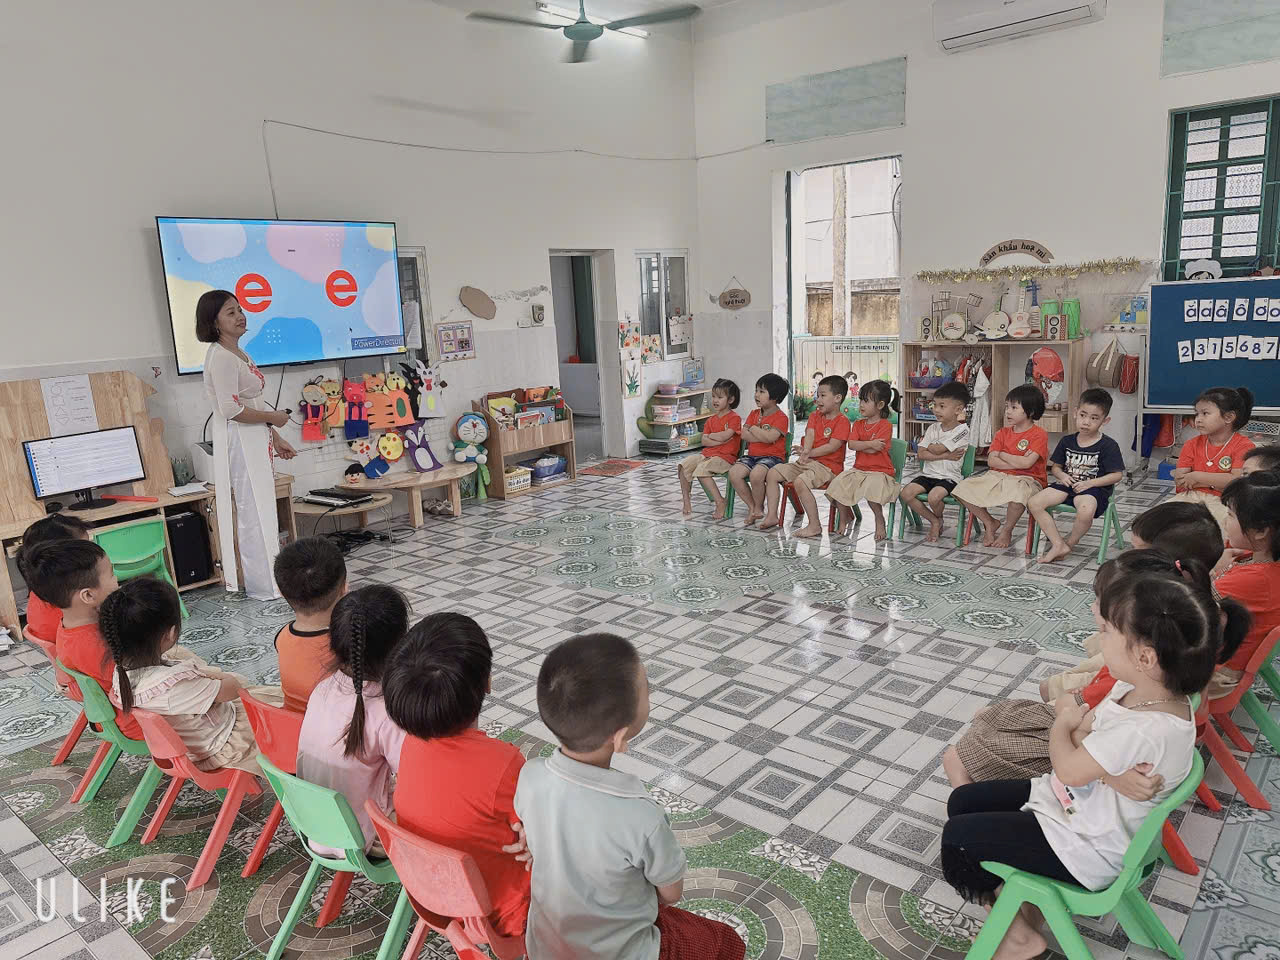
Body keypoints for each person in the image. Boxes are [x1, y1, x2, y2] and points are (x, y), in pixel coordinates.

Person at [940, 570, 1214, 960]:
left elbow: (1070, 759)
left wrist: (1063, 725)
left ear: (1145, 657)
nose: (1099, 640)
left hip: (1085, 846)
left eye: (1106, 633)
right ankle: (1027, 906)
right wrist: (1105, 769)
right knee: (964, 802)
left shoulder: (1145, 728)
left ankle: (1019, 935)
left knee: (958, 840)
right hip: (1075, 805)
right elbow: (1084, 739)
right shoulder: (1139, 691)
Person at [514, 634, 746, 960]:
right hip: (622, 952)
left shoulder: (530, 775)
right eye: (646, 687)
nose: (649, 690)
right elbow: (671, 893)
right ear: (620, 738)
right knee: (724, 942)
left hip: (545, 947)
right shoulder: (641, 816)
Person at [943, 549, 1247, 787]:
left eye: (1104, 613)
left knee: (956, 755)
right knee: (990, 718)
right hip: (1082, 739)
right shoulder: (1158, 670)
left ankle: (977, 796)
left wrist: (1104, 771)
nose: (1092, 609)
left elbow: (1078, 739)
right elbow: (1087, 719)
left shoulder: (1137, 684)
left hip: (1072, 756)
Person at [385, 612, 531, 938]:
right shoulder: (504, 764)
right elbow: (541, 833)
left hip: (431, 899)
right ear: (488, 681)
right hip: (504, 915)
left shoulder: (410, 745)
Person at [1038, 501, 1222, 702]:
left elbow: (1113, 688)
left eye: (1138, 551)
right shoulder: (1197, 607)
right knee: (1053, 684)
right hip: (1115, 682)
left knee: (1049, 688)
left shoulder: (1150, 638)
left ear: (1163, 565)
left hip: (1109, 694)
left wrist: (1078, 701)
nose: (1131, 557)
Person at [100, 577, 281, 774]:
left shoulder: (121, 674)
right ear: (170, 634)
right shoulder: (174, 686)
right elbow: (233, 688)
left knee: (269, 698)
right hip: (223, 743)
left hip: (197, 741)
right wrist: (217, 676)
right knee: (286, 714)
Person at [196, 289, 297, 600]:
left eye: (240, 309)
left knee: (263, 506)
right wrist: (274, 418)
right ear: (214, 322)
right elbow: (231, 409)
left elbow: (253, 401)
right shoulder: (221, 357)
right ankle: (263, 586)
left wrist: (275, 435)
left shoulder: (239, 352)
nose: (240, 316)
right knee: (252, 510)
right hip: (240, 439)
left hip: (256, 438)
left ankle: (272, 580)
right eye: (231, 312)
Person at [297, 585, 410, 856]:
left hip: (314, 828)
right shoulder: (387, 712)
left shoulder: (322, 690)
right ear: (401, 647)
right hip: (361, 839)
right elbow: (415, 778)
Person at [1206, 471, 1280, 699]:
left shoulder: (1255, 578)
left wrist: (1212, 569)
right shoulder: (1259, 560)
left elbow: (1191, 606)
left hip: (1216, 673)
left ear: (1261, 531)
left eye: (1230, 515)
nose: (1224, 521)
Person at [1030, 388, 1126, 564]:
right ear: (1075, 413)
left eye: (1094, 418)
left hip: (1093, 490)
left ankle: (1070, 543)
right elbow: (1056, 467)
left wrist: (1090, 483)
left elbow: (1116, 475)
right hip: (1066, 485)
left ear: (1105, 421)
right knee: (1034, 503)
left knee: (1086, 510)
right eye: (1083, 415)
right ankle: (1058, 544)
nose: (1086, 422)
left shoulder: (1108, 445)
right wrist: (1062, 476)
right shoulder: (1067, 441)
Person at [953, 384, 1049, 548]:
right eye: (1007, 407)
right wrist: (1017, 461)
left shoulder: (1039, 434)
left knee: (1018, 494)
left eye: (1014, 407)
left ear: (1031, 411)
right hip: (997, 476)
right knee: (962, 489)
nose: (1008, 412)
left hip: (1028, 479)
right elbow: (992, 461)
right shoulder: (1002, 433)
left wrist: (1003, 455)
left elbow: (1027, 464)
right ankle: (989, 522)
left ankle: (1006, 530)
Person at [762, 375, 850, 538]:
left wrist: (810, 453)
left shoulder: (842, 421)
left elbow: (833, 446)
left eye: (823, 395)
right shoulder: (815, 416)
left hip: (828, 468)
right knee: (773, 473)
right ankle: (772, 515)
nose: (818, 399)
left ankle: (814, 525)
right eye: (817, 395)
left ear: (837, 398)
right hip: (807, 463)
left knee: (800, 482)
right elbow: (810, 434)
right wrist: (806, 452)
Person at [272, 537, 348, 712]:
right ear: (344, 588)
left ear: (281, 592)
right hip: (334, 727)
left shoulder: (282, 637)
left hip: (288, 725)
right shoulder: (349, 643)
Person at [1171, 385, 1255, 530]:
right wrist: (1217, 483)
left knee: (1214, 529)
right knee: (1161, 523)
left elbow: (1236, 483)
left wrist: (1196, 476)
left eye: (1205, 413)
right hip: (1190, 497)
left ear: (1228, 417)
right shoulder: (1191, 444)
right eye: (1197, 414)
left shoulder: (1244, 446)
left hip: (1225, 502)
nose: (1198, 419)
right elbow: (1180, 480)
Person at [827, 380, 902, 541]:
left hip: (880, 472)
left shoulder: (885, 425)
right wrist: (870, 444)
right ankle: (845, 517)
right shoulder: (858, 424)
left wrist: (864, 445)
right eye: (860, 400)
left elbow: (876, 449)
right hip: (859, 470)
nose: (861, 404)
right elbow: (852, 445)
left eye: (866, 401)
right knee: (838, 484)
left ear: (880, 405)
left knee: (872, 488)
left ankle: (879, 519)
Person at [900, 382, 971, 543]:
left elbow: (936, 449)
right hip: (929, 475)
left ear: (958, 409)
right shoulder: (933, 428)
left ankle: (937, 519)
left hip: (949, 477)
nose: (936, 410)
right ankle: (935, 520)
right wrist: (946, 455)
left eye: (942, 406)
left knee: (934, 497)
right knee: (906, 494)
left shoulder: (962, 431)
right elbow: (921, 454)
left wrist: (932, 448)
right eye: (935, 405)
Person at [16, 514, 91, 642]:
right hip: (73, 647)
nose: (93, 552)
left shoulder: (42, 585)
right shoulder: (70, 597)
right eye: (86, 548)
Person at [729, 374, 790, 526]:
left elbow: (770, 438)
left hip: (773, 458)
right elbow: (744, 434)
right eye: (756, 390)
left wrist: (754, 429)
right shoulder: (754, 414)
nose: (756, 395)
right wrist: (762, 435)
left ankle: (758, 507)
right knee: (734, 473)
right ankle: (753, 507)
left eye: (762, 392)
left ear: (775, 397)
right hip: (752, 457)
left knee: (756, 475)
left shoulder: (781, 418)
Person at [679, 379, 741, 519]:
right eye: (713, 396)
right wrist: (718, 439)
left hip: (725, 458)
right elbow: (704, 440)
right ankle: (687, 501)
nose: (715, 400)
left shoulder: (734, 418)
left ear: (731, 400)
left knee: (702, 470)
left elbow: (726, 435)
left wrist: (712, 436)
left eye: (720, 397)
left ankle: (720, 502)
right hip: (707, 455)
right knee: (684, 465)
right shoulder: (711, 420)